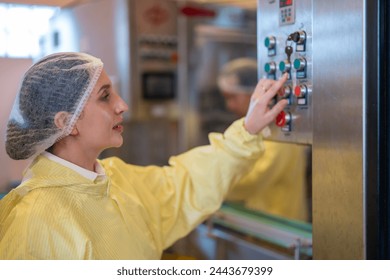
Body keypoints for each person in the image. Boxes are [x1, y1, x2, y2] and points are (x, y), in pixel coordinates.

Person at [0, 52, 288, 260]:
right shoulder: (35, 223)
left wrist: (248, 129)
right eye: (105, 96)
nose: (122, 105)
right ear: (66, 122)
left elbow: (183, 185)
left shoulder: (114, 179)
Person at [217, 58, 309, 222]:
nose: (229, 106)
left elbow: (250, 182)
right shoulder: (265, 131)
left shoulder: (283, 136)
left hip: (283, 228)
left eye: (233, 97)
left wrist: (208, 184)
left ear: (254, 94)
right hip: (263, 223)